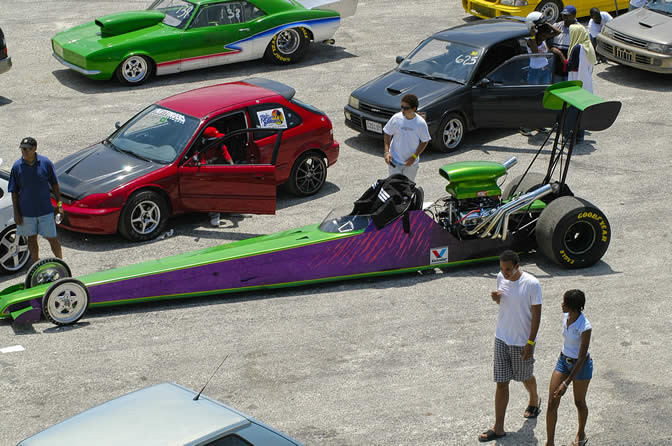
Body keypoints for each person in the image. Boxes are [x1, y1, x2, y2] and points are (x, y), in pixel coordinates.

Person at [479, 250, 542, 442]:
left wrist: (530, 343)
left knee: (524, 376)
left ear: (517, 266)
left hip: (522, 341)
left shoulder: (532, 284)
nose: (504, 273)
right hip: (502, 338)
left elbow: (537, 315)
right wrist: (496, 298)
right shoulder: (501, 278)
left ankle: (534, 399)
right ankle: (498, 427)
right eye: (501, 269)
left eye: (508, 269)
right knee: (502, 382)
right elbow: (506, 304)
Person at [545, 289, 593, 446]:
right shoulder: (566, 316)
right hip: (563, 361)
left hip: (580, 366)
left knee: (579, 402)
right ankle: (550, 442)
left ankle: (581, 434)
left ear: (573, 306)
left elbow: (581, 357)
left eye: (564, 303)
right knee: (552, 402)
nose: (561, 305)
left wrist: (566, 383)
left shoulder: (585, 327)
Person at [8, 137, 63, 264]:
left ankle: (61, 263)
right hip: (26, 212)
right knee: (32, 239)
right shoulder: (17, 167)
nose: (24, 151)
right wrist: (16, 213)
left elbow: (55, 184)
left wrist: (59, 205)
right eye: (22, 149)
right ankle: (36, 263)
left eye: (28, 149)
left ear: (35, 149)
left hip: (45, 211)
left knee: (52, 238)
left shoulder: (46, 163)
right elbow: (14, 191)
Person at [562, 24, 598, 144]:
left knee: (571, 113)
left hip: (576, 85)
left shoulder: (577, 48)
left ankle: (568, 137)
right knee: (581, 113)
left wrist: (559, 54)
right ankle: (579, 137)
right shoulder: (589, 45)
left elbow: (569, 66)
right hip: (586, 84)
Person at [382, 93, 430, 182]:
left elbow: (425, 141)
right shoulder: (396, 118)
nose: (403, 110)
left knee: (407, 190)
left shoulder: (420, 123)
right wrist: (386, 152)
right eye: (402, 107)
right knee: (394, 188)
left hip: (411, 164)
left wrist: (414, 157)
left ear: (414, 109)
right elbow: (387, 133)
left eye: (406, 108)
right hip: (394, 162)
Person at [199, 126, 234, 227]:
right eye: (216, 139)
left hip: (220, 172)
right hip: (208, 176)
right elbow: (203, 166)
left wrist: (234, 171)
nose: (219, 140)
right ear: (210, 141)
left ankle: (233, 208)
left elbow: (229, 160)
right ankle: (214, 215)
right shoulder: (202, 150)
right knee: (212, 191)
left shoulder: (221, 147)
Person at [551, 5, 578, 81]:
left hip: (570, 64)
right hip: (557, 65)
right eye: (563, 15)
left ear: (574, 15)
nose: (565, 17)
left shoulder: (579, 29)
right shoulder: (557, 25)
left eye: (567, 15)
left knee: (568, 89)